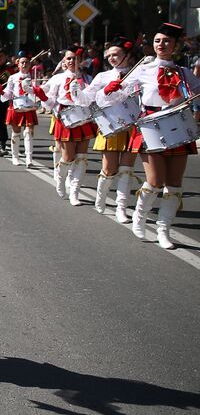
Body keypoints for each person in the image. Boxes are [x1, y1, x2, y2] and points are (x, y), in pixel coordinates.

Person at [112, 22, 200, 249]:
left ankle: (164, 229)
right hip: (150, 127)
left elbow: (197, 93)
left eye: (167, 41)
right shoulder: (143, 70)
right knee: (155, 180)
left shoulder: (184, 72)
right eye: (158, 40)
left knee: (174, 185)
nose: (162, 44)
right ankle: (140, 217)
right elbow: (119, 95)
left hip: (177, 127)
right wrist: (113, 88)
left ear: (176, 45)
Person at [83, 38, 141, 223]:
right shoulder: (102, 77)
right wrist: (104, 91)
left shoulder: (138, 75)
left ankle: (121, 208)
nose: (112, 58)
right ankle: (101, 198)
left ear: (128, 56)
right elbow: (87, 101)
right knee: (109, 169)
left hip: (132, 127)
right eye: (109, 55)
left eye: (116, 54)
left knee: (126, 169)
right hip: (110, 125)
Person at [42, 48, 96, 205]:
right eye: (69, 59)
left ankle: (75, 192)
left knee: (82, 158)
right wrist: (42, 97)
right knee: (68, 157)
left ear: (81, 60)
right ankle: (59, 178)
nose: (72, 61)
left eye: (76, 58)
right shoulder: (58, 79)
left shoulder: (87, 78)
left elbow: (92, 99)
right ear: (64, 62)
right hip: (66, 118)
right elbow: (51, 101)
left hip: (84, 118)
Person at [0, 54, 42, 168]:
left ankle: (29, 158)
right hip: (16, 106)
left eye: (26, 62)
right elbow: (9, 93)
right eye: (22, 62)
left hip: (29, 107)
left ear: (30, 64)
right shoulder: (12, 77)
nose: (24, 64)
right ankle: (15, 156)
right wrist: (2, 92)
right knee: (16, 133)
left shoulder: (35, 77)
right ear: (18, 64)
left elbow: (39, 92)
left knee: (29, 133)